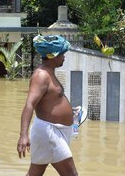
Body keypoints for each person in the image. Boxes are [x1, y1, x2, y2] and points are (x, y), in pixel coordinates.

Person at [17, 34, 78, 176]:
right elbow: (29, 104)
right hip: (49, 132)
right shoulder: (41, 75)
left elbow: (52, 101)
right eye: (63, 54)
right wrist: (23, 135)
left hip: (51, 131)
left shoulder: (49, 73)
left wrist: (68, 111)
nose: (64, 57)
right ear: (54, 56)